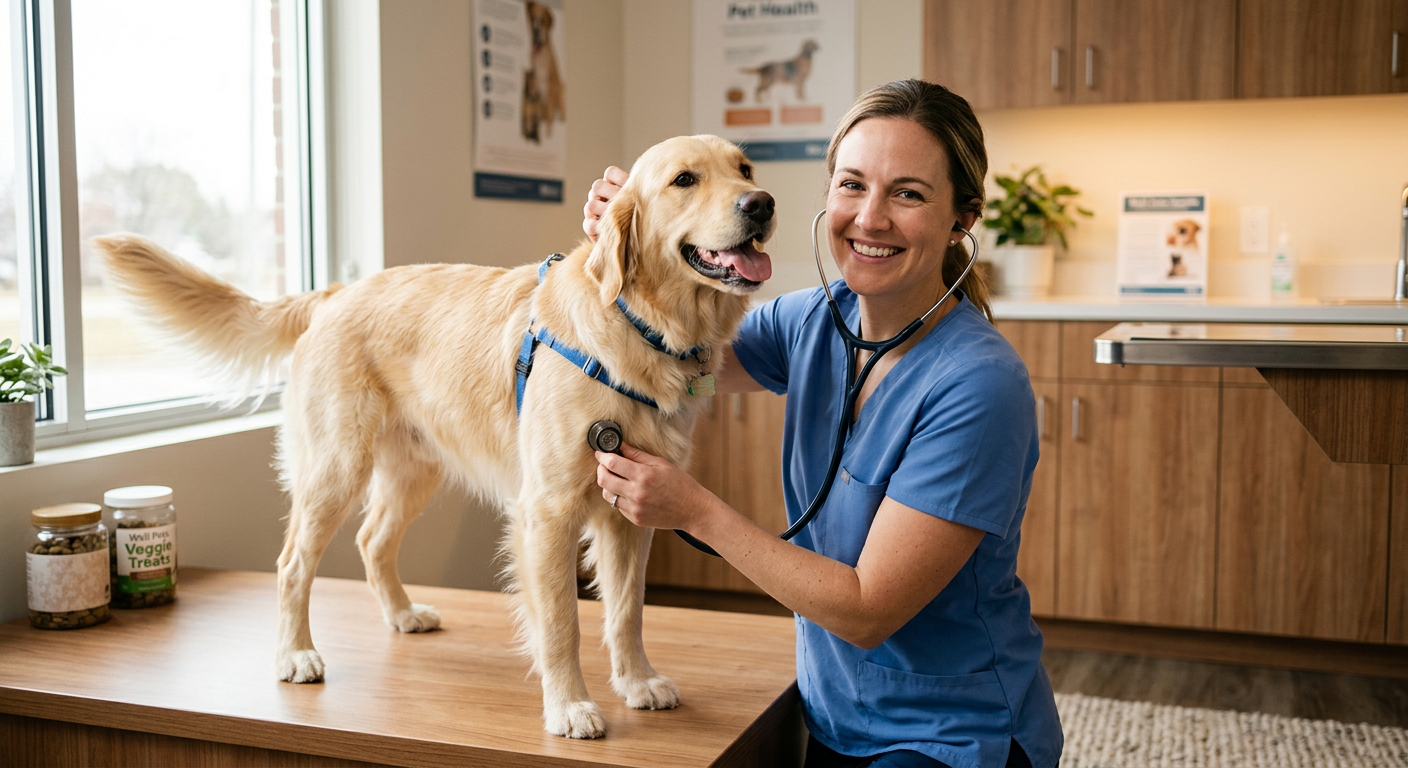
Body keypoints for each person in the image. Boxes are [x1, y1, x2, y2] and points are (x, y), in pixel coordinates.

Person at [584, 79, 1062, 768]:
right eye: (851, 185)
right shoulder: (810, 321)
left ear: (962, 219)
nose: (869, 219)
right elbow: (686, 371)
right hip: (836, 717)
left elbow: (868, 610)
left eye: (908, 193)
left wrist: (694, 511)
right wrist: (636, 241)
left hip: (953, 735)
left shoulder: (978, 385)